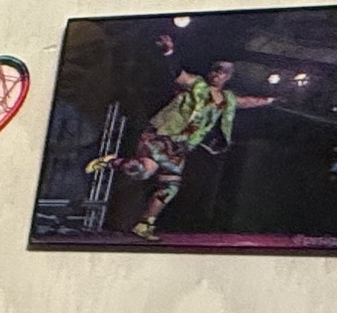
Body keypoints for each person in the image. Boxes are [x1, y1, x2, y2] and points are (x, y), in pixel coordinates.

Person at [85, 51, 280, 237]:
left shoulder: (227, 99)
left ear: (229, 76)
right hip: (161, 137)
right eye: (216, 70)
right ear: (211, 71)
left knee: (168, 187)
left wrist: (272, 99)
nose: (218, 75)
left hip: (181, 148)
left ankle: (144, 224)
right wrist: (169, 53)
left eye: (224, 72)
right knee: (145, 172)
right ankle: (112, 162)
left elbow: (246, 101)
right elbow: (179, 74)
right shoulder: (196, 84)